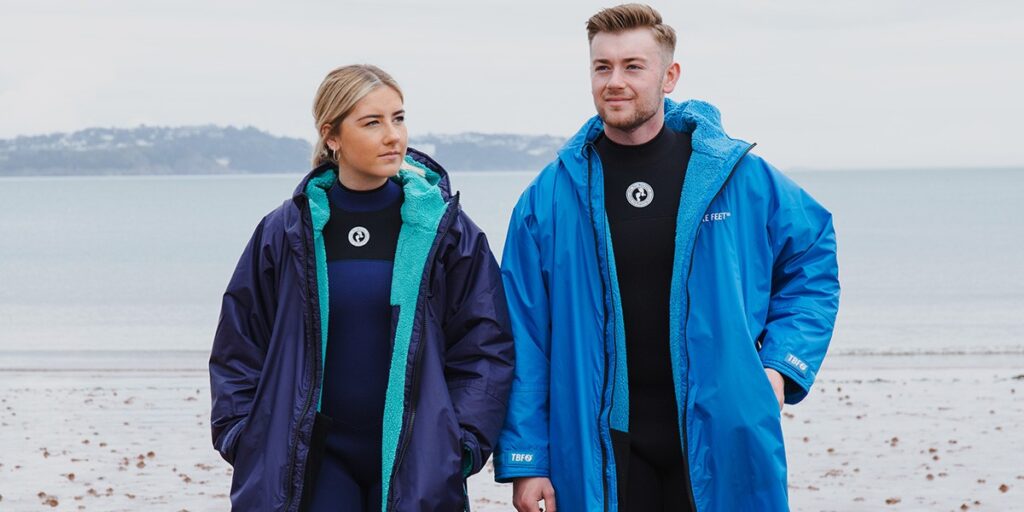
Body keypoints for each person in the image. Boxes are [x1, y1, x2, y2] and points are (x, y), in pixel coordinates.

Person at [494, 4, 840, 511]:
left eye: (634, 66)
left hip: (722, 431)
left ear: (669, 75)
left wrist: (779, 368)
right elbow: (523, 333)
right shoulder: (549, 197)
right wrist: (529, 460)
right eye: (602, 67)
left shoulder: (735, 177)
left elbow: (812, 258)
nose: (615, 81)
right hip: (598, 445)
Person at [209, 64, 515, 512]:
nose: (393, 135)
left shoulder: (444, 231)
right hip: (315, 456)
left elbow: (485, 344)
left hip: (419, 455)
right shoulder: (287, 231)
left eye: (398, 118)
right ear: (332, 136)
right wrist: (243, 435)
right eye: (372, 122)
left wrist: (463, 442)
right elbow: (240, 343)